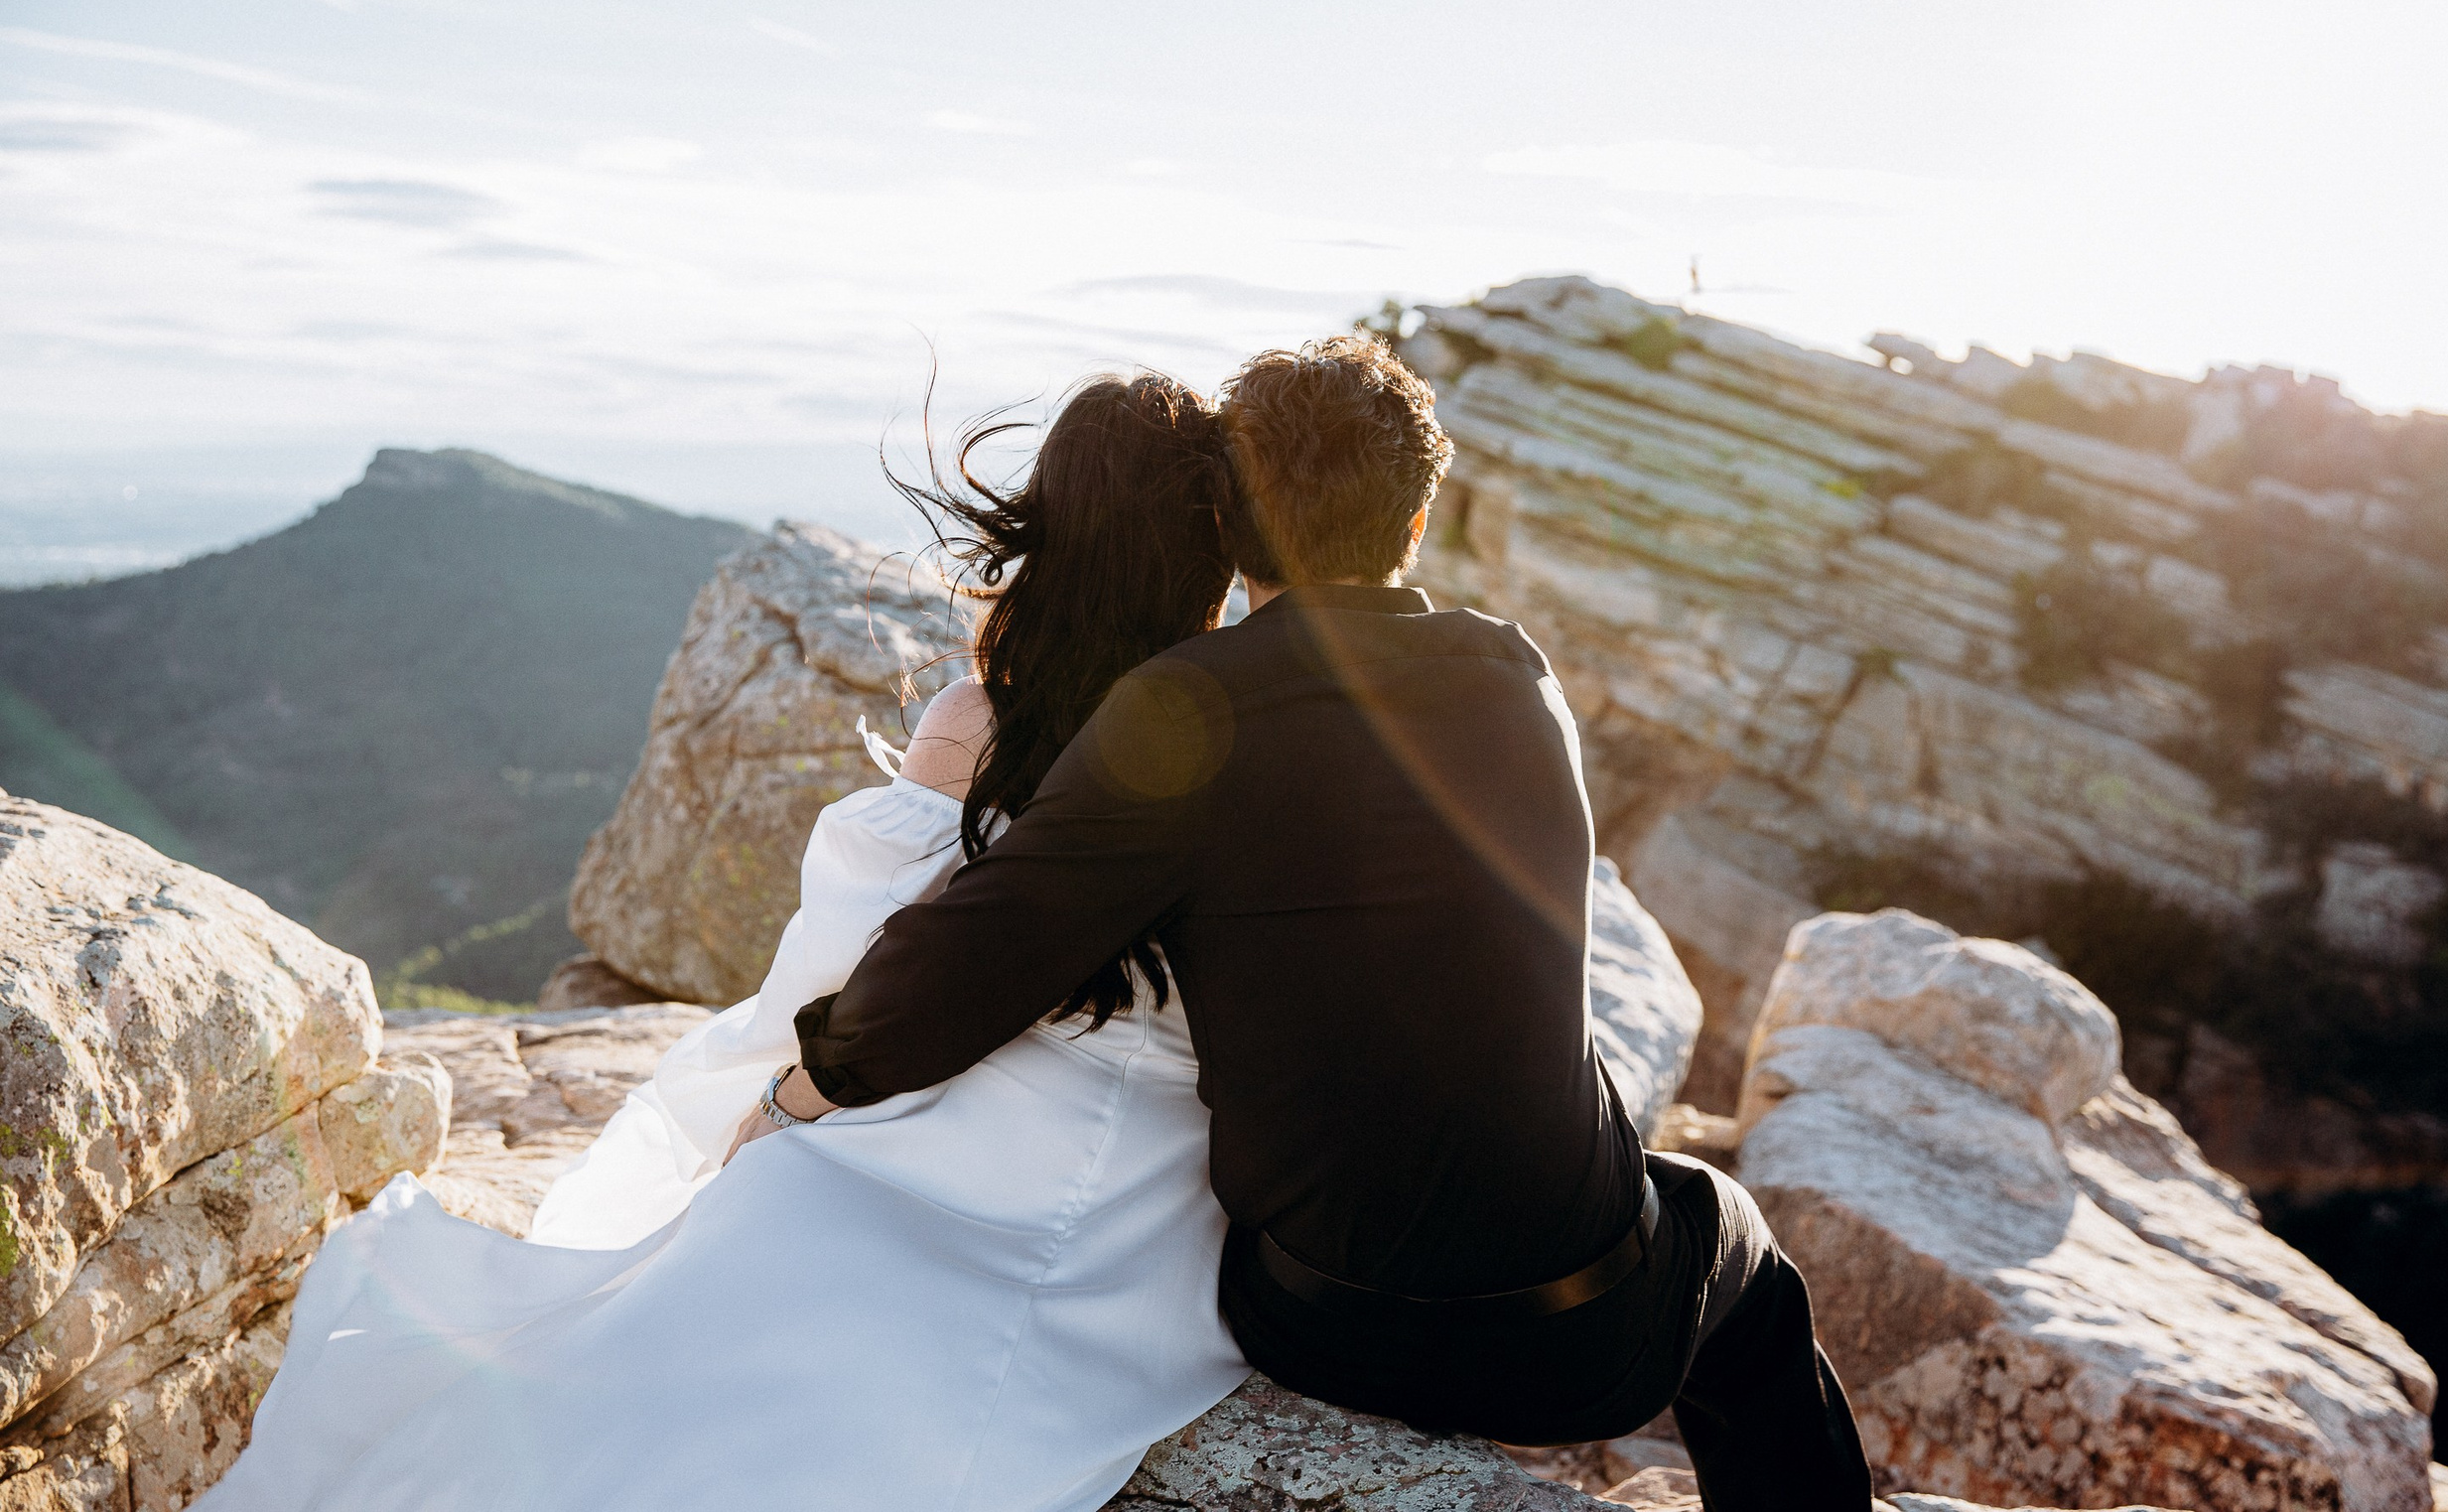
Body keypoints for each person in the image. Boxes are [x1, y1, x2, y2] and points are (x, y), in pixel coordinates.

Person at [779, 336, 1875, 1510]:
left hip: (1317, 1326)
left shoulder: (1183, 711)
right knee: (1733, 1250)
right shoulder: (1520, 681)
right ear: (1414, 523)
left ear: (1233, 533)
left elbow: (964, 967)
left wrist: (803, 1084)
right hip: (1579, 1343)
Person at [199, 372, 1254, 1512]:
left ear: (1057, 530)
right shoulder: (1254, 734)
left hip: (930, 1111)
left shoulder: (979, 728)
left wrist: (785, 1101)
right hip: (1156, 1202)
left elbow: (843, 974)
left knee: (697, 1331)